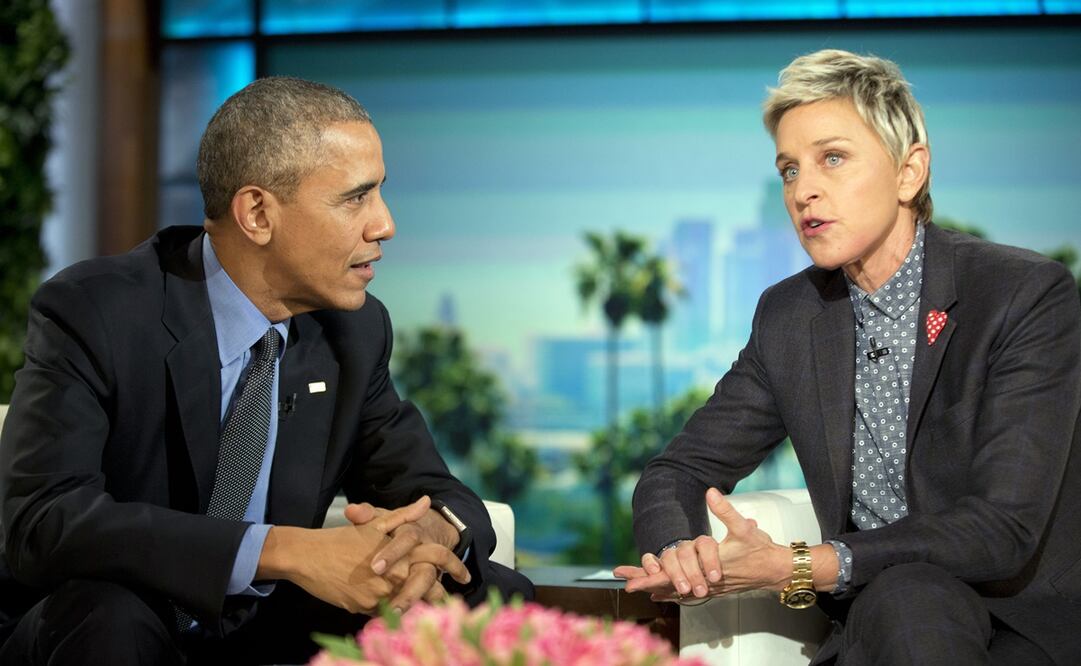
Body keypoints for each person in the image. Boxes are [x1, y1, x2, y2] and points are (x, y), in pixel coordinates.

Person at [0, 76, 531, 665]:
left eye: (381, 193)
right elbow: (42, 522)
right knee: (112, 617)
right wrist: (285, 551)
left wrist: (426, 534)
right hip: (106, 615)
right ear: (257, 213)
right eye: (356, 198)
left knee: (492, 597)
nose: (384, 224)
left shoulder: (352, 331)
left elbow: (432, 489)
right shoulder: (96, 310)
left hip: (255, 624)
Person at [615, 49, 1081, 665]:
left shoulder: (1023, 294)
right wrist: (682, 548)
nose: (804, 190)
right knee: (910, 599)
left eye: (832, 158)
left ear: (909, 172)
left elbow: (1002, 526)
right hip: (886, 615)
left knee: (916, 596)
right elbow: (676, 472)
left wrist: (800, 565)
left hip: (1022, 621)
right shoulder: (790, 317)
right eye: (787, 170)